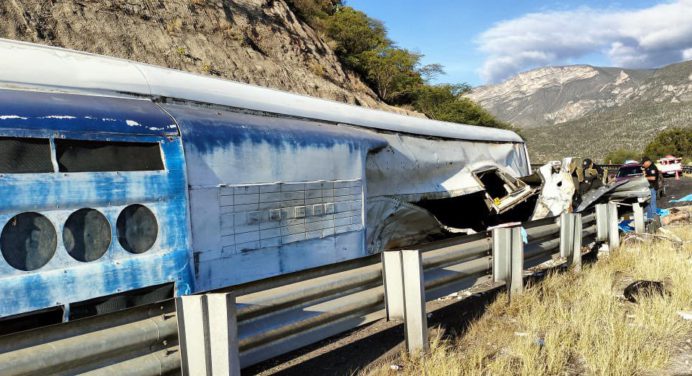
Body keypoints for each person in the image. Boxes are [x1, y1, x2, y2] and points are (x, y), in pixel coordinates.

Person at [641, 156, 659, 220]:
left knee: (652, 203)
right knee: (647, 203)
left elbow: (653, 178)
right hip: (648, 188)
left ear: (647, 162)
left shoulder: (652, 167)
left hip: (652, 187)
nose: (643, 165)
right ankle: (649, 217)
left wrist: (644, 177)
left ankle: (654, 217)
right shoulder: (647, 168)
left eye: (643, 163)